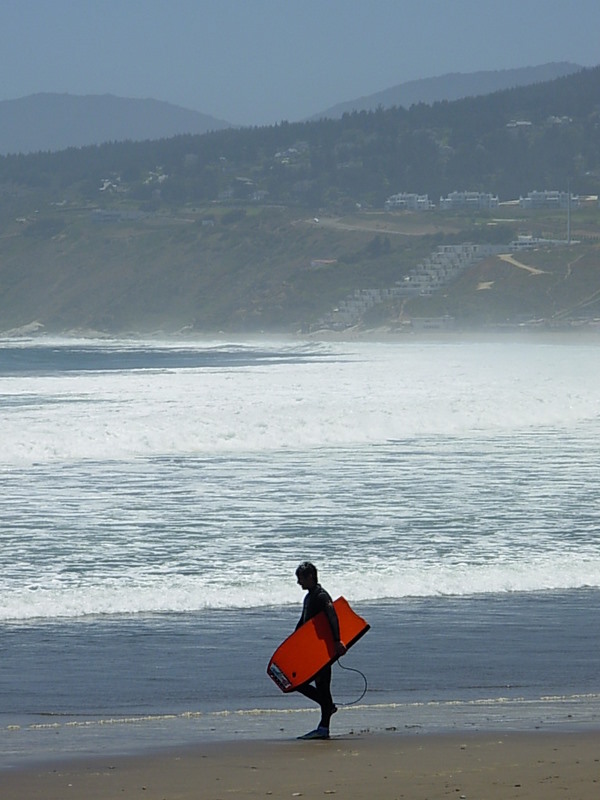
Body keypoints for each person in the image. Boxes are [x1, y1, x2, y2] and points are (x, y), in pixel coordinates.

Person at [294, 561, 347, 740]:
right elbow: (303, 623)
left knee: (321, 687)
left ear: (310, 577)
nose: (298, 582)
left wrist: (337, 641)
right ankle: (326, 713)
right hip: (313, 650)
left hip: (323, 650)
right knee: (307, 685)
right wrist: (293, 643)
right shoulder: (309, 597)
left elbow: (332, 616)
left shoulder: (322, 596)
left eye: (300, 578)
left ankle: (324, 725)